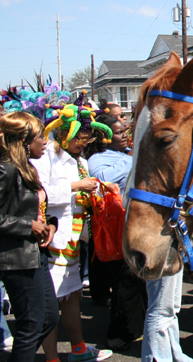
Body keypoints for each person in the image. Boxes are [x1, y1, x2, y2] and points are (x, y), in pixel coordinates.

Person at [31, 96, 114, 362]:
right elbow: (38, 195)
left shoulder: (81, 161)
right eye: (81, 137)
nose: (84, 142)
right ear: (66, 133)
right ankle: (52, 358)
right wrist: (77, 187)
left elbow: (83, 197)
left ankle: (78, 349)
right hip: (53, 240)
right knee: (50, 304)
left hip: (76, 240)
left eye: (88, 138)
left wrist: (99, 192)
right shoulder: (46, 155)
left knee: (72, 296)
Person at [0, 112, 60, 362]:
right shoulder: (5, 170)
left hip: (36, 255)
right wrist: (28, 226)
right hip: (17, 259)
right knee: (31, 325)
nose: (45, 142)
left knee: (48, 318)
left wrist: (50, 226)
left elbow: (37, 210)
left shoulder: (27, 169)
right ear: (24, 142)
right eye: (40, 137)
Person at [86, 114, 147, 352]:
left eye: (125, 131)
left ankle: (136, 327)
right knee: (124, 281)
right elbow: (102, 179)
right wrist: (132, 160)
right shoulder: (97, 158)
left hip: (137, 223)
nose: (125, 135)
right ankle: (118, 333)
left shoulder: (126, 154)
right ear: (106, 137)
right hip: (115, 228)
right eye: (120, 132)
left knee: (137, 279)